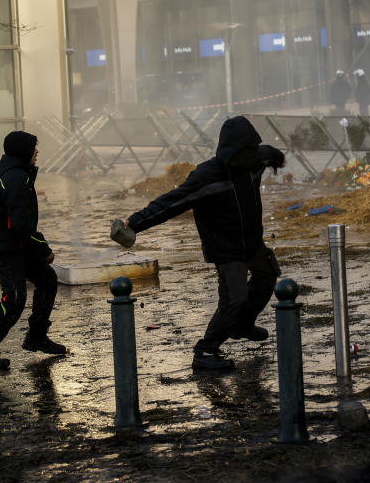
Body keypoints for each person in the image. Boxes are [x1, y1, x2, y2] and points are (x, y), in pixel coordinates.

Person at [122, 116, 286, 371]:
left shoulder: (255, 160)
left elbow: (270, 153)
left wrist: (279, 159)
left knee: (267, 277)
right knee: (235, 298)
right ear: (234, 151)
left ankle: (242, 325)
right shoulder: (207, 176)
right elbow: (170, 203)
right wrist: (134, 223)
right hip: (226, 249)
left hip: (252, 243)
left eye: (254, 148)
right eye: (248, 150)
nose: (253, 154)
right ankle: (205, 351)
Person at [0, 131, 67, 369]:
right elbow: (22, 226)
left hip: (15, 241)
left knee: (47, 279)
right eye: (34, 148)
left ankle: (36, 337)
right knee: (13, 299)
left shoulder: (18, 174)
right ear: (23, 152)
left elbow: (21, 226)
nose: (37, 152)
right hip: (4, 245)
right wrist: (44, 250)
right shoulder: (15, 179)